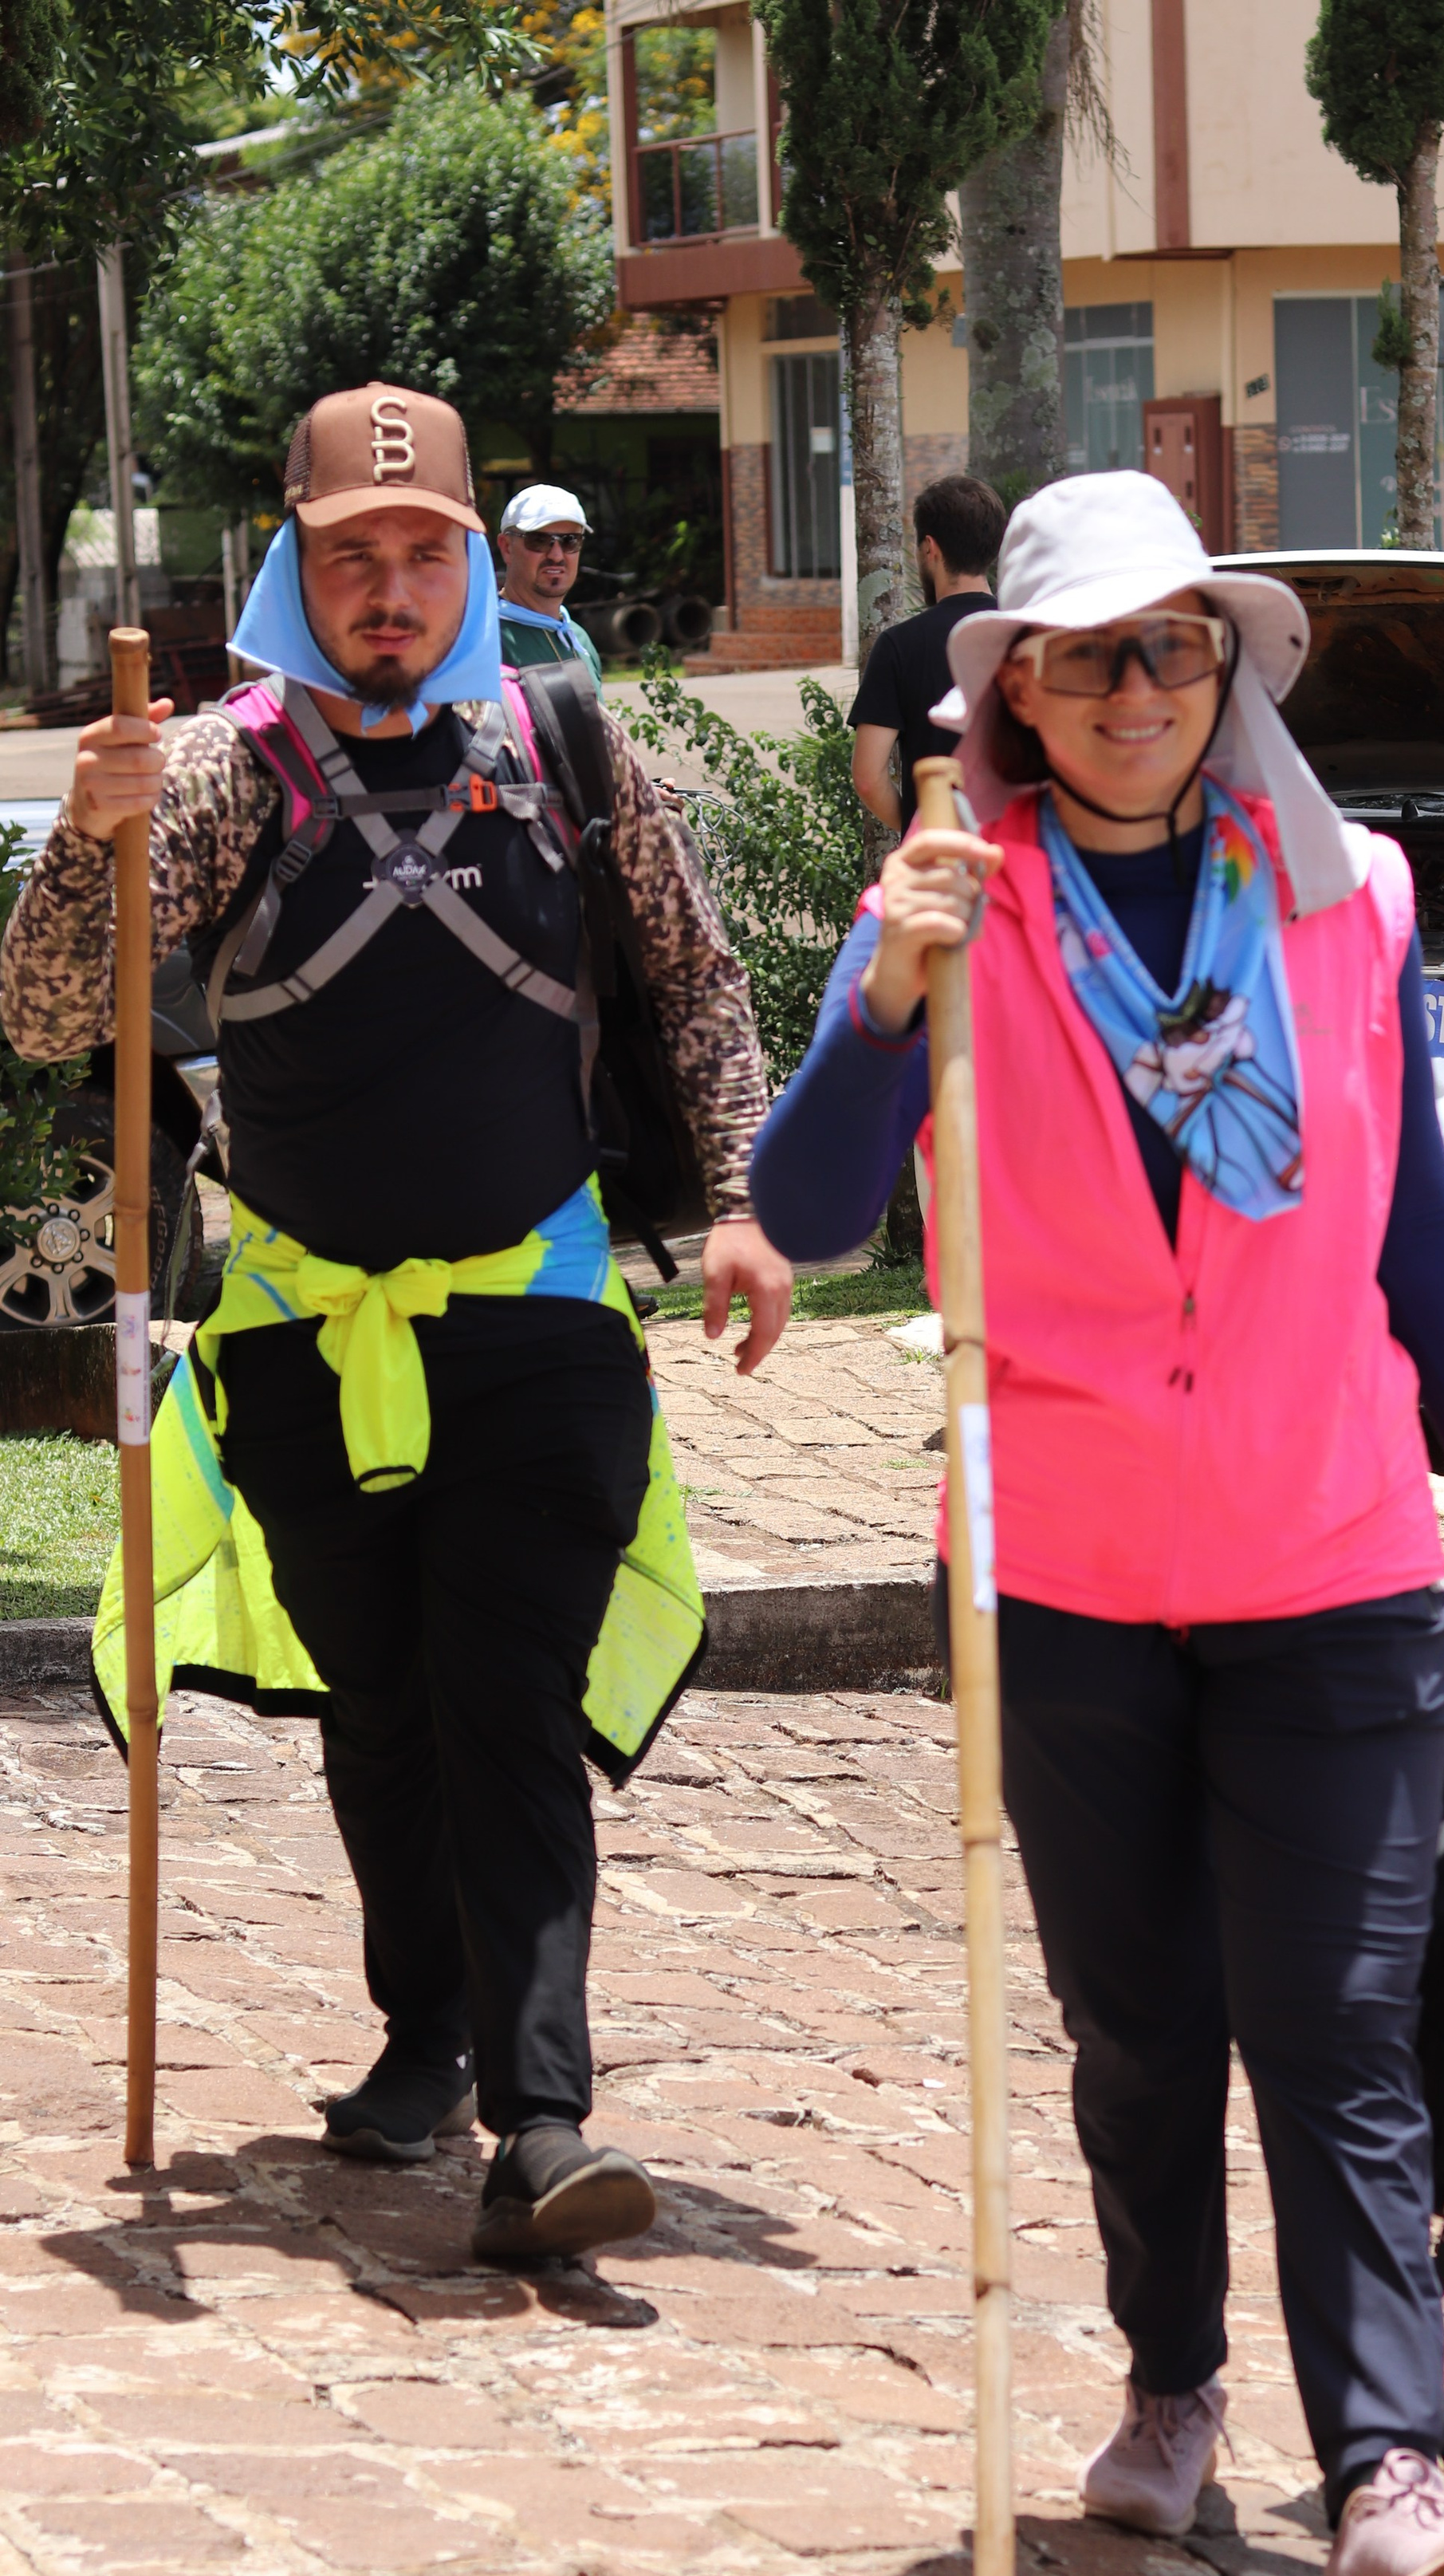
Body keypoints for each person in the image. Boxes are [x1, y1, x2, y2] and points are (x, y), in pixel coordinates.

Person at [750, 471, 1444, 2576]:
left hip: (1333, 1544)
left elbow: (1406, 1222)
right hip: (1069, 1567)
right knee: (1139, 2027)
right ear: (1010, 685)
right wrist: (884, 1005)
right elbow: (812, 1207)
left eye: (1169, 648)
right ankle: (1174, 2382)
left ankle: (1392, 2473)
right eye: (1085, 656)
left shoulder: (1348, 899)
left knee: (1338, 2027)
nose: (1131, 691)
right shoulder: (948, 897)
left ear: (1229, 669)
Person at [0, 382, 792, 2268]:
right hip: (293, 1330)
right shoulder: (211, 770)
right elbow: (41, 1016)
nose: (388, 588)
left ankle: (543, 2112)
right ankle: (422, 2028)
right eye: (351, 555)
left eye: (421, 551)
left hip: (534, 1313)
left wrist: (751, 1201)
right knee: (384, 1704)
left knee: (503, 1696)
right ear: (294, 559)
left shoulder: (570, 745)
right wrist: (76, 841)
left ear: (468, 568)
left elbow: (693, 979)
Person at [849, 475, 1005, 835]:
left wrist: (921, 829)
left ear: (930, 548)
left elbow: (869, 778)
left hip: (939, 862)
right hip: (1019, 855)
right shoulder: (1026, 634)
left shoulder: (898, 645)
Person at [496, 483, 604, 688]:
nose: (556, 555)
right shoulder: (486, 639)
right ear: (507, 548)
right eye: (539, 541)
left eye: (570, 541)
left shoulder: (579, 638)